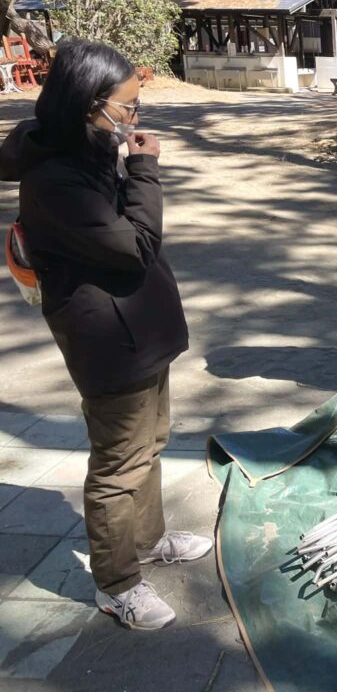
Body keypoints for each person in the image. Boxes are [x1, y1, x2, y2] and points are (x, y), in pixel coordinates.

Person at [0, 40, 210, 630]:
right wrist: (144, 170)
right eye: (127, 106)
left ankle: (148, 540)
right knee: (119, 464)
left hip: (139, 328)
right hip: (109, 341)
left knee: (149, 443)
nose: (134, 116)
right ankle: (117, 584)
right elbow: (136, 245)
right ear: (90, 104)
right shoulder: (57, 178)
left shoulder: (83, 148)